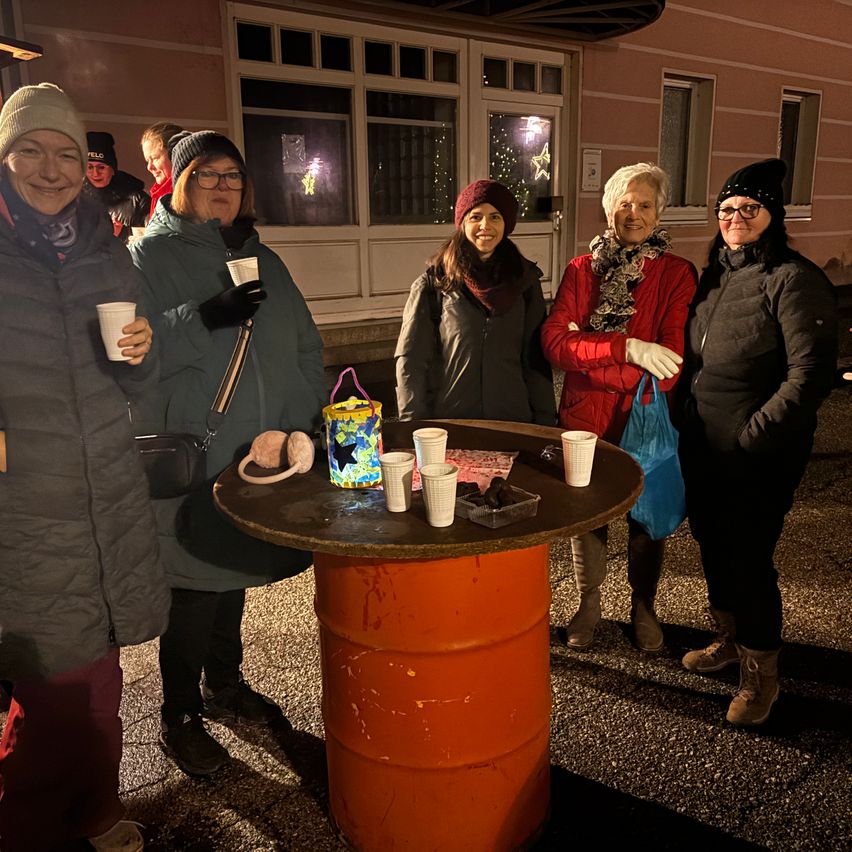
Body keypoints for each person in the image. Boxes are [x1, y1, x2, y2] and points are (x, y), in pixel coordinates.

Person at [0, 83, 169, 852]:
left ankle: (98, 812)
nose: (50, 167)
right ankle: (33, 829)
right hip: (26, 501)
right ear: (5, 159)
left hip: (104, 487)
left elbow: (131, 373)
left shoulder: (106, 250)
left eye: (66, 152)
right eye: (30, 149)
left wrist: (141, 352)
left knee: (100, 679)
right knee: (44, 693)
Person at [130, 130, 327, 776]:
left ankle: (226, 683)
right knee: (192, 584)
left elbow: (304, 346)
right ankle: (178, 714)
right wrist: (207, 315)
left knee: (232, 570)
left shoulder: (265, 258)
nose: (221, 186)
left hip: (257, 452)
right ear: (178, 183)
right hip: (195, 449)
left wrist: (300, 426)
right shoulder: (145, 256)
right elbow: (133, 356)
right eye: (206, 174)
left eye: (232, 177)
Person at [675, 159, 837, 726]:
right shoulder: (716, 275)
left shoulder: (794, 278)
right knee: (713, 547)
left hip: (757, 455)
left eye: (749, 208)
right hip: (703, 445)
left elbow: (810, 373)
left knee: (748, 559)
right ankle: (730, 637)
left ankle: (761, 674)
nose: (736, 218)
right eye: (727, 210)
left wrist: (751, 438)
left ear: (772, 215)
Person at [541, 162, 697, 652]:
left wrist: (586, 347)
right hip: (585, 422)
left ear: (658, 212)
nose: (634, 213)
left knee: (645, 521)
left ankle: (643, 606)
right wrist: (627, 348)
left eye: (645, 204)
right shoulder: (581, 269)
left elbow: (669, 365)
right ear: (609, 209)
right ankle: (589, 602)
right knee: (587, 519)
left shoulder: (676, 274)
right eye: (624, 203)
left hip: (642, 419)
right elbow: (552, 344)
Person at [394, 179, 556, 425]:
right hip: (452, 423)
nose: (485, 226)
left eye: (495, 217)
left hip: (513, 423)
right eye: (475, 217)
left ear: (507, 223)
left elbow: (535, 360)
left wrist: (546, 423)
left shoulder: (524, 281)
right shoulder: (436, 283)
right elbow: (412, 360)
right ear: (462, 222)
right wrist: (413, 425)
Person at [83, 130, 150, 242]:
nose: (95, 173)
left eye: (101, 167)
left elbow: (151, 241)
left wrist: (121, 235)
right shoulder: (73, 197)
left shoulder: (137, 200)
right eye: (90, 167)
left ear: (113, 170)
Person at [140, 121, 182, 221]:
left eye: (155, 158)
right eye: (147, 161)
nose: (149, 167)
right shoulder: (158, 194)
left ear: (175, 155)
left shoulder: (191, 193)